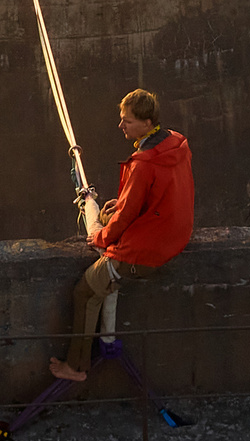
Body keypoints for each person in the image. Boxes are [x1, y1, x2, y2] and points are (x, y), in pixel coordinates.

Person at [50, 90, 193, 382]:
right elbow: (158, 191)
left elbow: (125, 218)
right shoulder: (176, 143)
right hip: (174, 233)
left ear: (147, 123)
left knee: (85, 291)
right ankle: (84, 358)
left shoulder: (143, 163)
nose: (121, 126)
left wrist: (100, 239)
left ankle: (76, 367)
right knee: (108, 218)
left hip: (147, 250)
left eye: (127, 121)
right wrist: (127, 202)